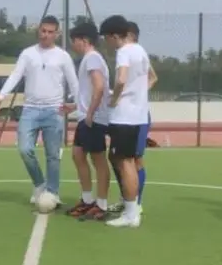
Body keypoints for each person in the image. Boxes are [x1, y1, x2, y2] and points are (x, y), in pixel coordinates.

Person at [0, 16, 80, 206]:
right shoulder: (27, 54)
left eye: (50, 32)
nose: (46, 35)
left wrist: (78, 105)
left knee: (53, 155)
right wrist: (1, 96)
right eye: (43, 31)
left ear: (56, 34)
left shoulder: (62, 56)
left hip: (54, 110)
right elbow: (16, 74)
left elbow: (74, 83)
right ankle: (40, 184)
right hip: (30, 109)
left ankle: (53, 192)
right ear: (38, 31)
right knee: (25, 149)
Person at [99, 15, 151, 228]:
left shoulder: (124, 52)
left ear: (113, 35)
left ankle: (131, 213)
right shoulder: (141, 50)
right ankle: (133, 209)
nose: (106, 43)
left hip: (124, 116)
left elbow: (121, 79)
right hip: (138, 115)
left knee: (124, 162)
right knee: (127, 161)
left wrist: (114, 98)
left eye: (106, 38)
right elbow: (147, 78)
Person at [65, 22, 113, 220]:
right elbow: (88, 91)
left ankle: (101, 204)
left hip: (94, 118)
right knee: (77, 154)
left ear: (83, 40)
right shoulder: (89, 59)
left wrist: (91, 112)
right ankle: (87, 200)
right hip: (87, 116)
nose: (73, 45)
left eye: (74, 41)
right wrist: (76, 107)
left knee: (98, 159)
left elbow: (99, 87)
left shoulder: (92, 58)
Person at [109, 22, 156, 213]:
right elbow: (152, 78)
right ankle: (127, 198)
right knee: (115, 157)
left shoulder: (129, 52)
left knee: (132, 159)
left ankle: (136, 203)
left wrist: (120, 96)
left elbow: (151, 78)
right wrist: (137, 91)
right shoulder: (140, 53)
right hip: (136, 113)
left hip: (133, 115)